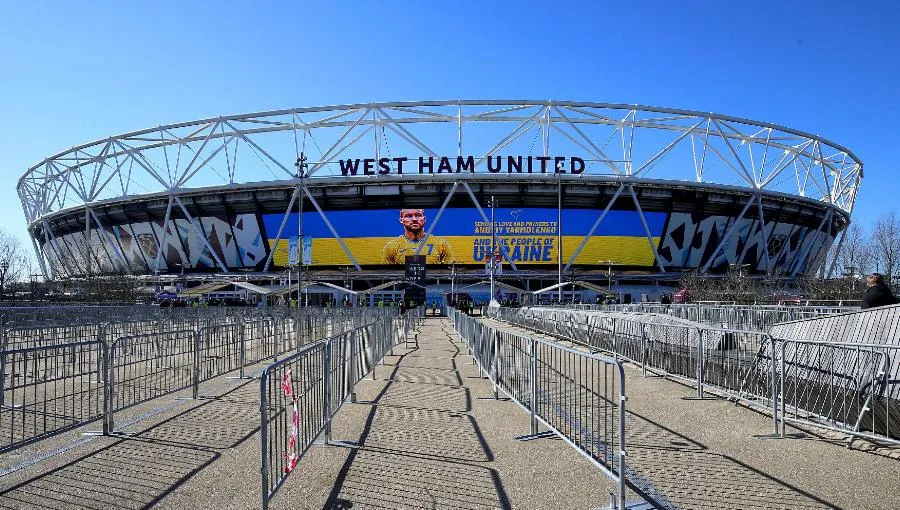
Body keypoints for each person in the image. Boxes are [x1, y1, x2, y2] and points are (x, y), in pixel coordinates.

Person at [382, 209, 454, 264]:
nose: (414, 219)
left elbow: (450, 270)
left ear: (424, 219)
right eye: (408, 216)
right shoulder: (391, 246)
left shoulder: (441, 244)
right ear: (401, 220)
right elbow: (386, 273)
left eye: (418, 215)